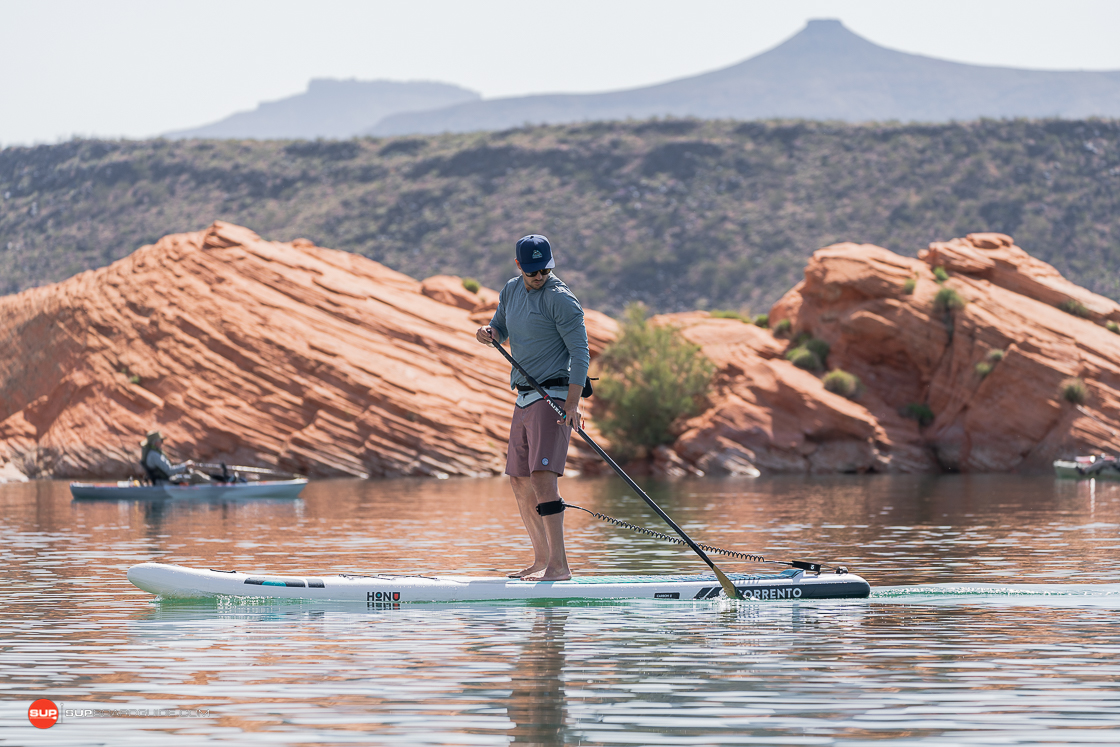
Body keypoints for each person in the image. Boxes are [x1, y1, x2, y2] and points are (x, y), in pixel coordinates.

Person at [476, 234, 590, 581]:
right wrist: (489, 331)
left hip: (551, 397)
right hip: (523, 396)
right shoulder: (511, 290)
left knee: (543, 480)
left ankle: (560, 567)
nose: (539, 276)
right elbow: (500, 326)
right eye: (532, 272)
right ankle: (542, 559)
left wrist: (571, 404)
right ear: (519, 267)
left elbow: (580, 354)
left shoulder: (561, 300)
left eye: (544, 270)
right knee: (519, 480)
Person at [140, 431, 210, 485]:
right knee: (196, 476)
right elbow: (169, 471)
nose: (162, 443)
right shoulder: (154, 455)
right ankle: (217, 485)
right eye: (161, 441)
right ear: (156, 442)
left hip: (163, 481)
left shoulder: (152, 453)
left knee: (194, 475)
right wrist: (185, 465)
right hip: (165, 483)